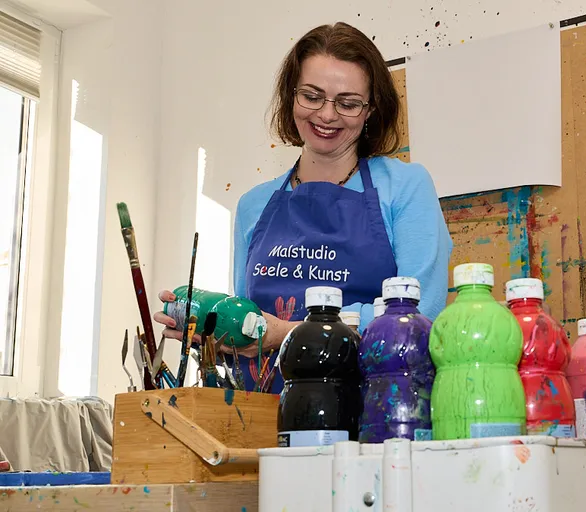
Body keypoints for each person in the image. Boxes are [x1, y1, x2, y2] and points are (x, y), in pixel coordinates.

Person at [154, 22, 453, 393]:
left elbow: (419, 318)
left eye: (347, 102)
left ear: (370, 111)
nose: (327, 115)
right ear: (290, 96)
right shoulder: (254, 205)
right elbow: (251, 323)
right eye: (312, 96)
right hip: (266, 416)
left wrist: (283, 333)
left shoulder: (405, 187)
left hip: (374, 414)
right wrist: (218, 335)